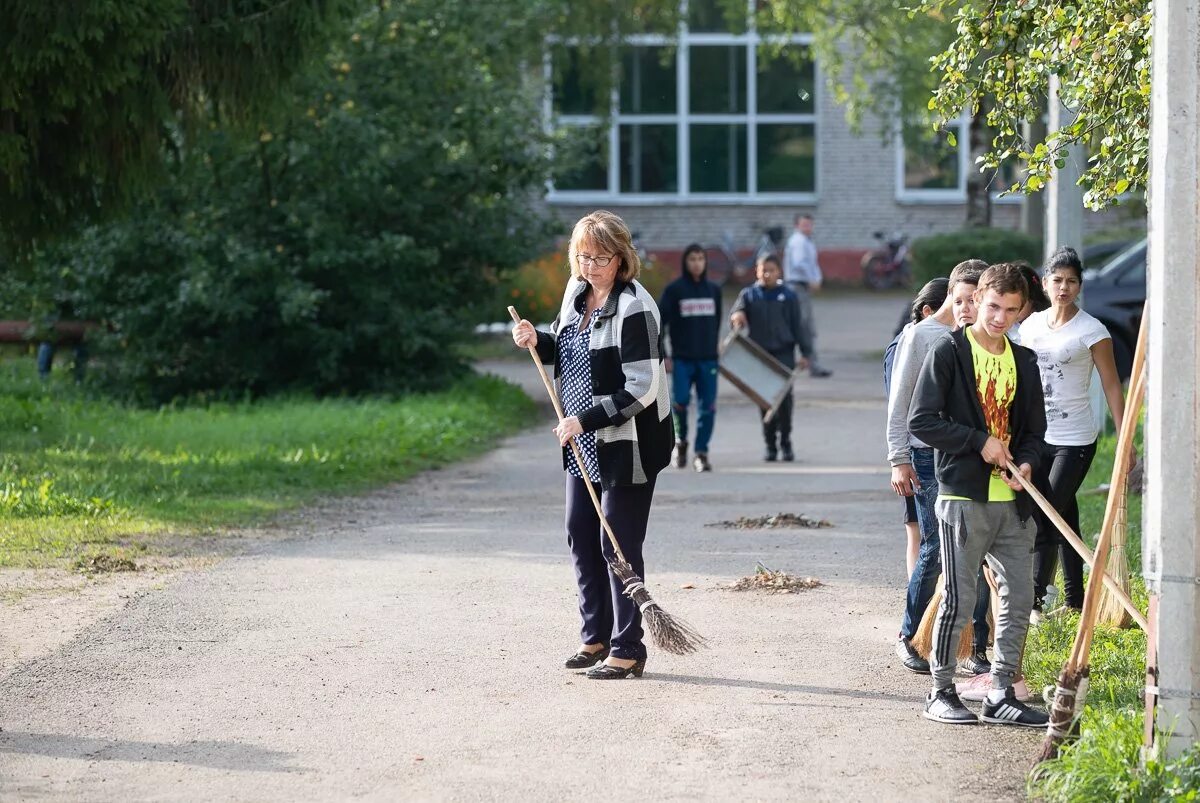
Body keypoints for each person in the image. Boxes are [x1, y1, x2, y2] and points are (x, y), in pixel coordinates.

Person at [510, 210, 674, 680]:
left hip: (629, 443)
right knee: (580, 534)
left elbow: (641, 387)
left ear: (622, 258)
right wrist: (535, 339)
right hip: (580, 441)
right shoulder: (576, 292)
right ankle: (595, 636)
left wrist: (584, 420)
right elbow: (563, 349)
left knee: (616, 543)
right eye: (583, 256)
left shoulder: (635, 306)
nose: (590, 266)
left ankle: (628, 648)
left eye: (601, 258)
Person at [909, 262, 1050, 727]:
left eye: (1011, 310)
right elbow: (922, 421)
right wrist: (979, 442)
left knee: (1018, 597)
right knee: (960, 597)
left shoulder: (1024, 360)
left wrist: (1025, 462)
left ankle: (1001, 690)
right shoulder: (950, 350)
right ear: (976, 301)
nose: (1000, 318)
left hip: (1014, 500)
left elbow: (1034, 432)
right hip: (963, 499)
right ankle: (941, 690)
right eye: (993, 307)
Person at [888, 261, 992, 676]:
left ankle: (976, 645)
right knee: (935, 547)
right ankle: (910, 635)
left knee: (977, 552)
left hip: (969, 456)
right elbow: (900, 404)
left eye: (975, 300)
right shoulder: (922, 335)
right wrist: (898, 458)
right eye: (961, 299)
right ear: (948, 294)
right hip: (926, 457)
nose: (967, 308)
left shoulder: (982, 339)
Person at [1020, 246, 1126, 617]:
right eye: (1057, 280)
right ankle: (1075, 599)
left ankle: (1033, 600)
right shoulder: (1030, 326)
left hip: (1075, 438)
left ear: (1079, 286)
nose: (1063, 287)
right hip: (1036, 438)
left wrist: (1126, 438)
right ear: (1046, 283)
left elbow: (1112, 385)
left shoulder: (1092, 330)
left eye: (1071, 281)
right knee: (1065, 515)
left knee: (1046, 513)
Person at [884, 278, 950, 578]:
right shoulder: (905, 346)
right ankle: (918, 608)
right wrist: (900, 458)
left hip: (932, 451)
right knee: (920, 535)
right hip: (915, 452)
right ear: (928, 312)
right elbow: (897, 405)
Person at [730, 254, 811, 462]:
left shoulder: (788, 296)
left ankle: (786, 441)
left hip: (783, 354)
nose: (767, 274)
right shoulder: (749, 294)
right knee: (765, 402)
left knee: (784, 401)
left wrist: (805, 353)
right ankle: (770, 445)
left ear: (779, 272)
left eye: (771, 270)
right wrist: (737, 316)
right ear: (756, 271)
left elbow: (798, 327)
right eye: (762, 270)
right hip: (759, 355)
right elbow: (737, 312)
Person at [659, 244, 723, 473]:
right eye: (692, 259)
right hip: (682, 360)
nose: (697, 263)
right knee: (680, 402)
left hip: (708, 360)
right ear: (685, 262)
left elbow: (716, 324)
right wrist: (664, 355)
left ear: (705, 262)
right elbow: (659, 324)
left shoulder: (714, 290)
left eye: (700, 259)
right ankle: (681, 442)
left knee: (708, 407)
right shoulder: (674, 291)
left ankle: (701, 453)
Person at [783, 213, 832, 378]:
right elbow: (800, 263)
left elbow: (812, 263)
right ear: (797, 226)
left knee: (804, 326)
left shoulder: (806, 241)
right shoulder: (798, 241)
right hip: (797, 286)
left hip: (802, 287)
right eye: (804, 225)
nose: (808, 228)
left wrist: (816, 279)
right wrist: (812, 279)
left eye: (810, 225)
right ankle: (812, 364)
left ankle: (811, 362)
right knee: (805, 327)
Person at [1007, 263, 1051, 345]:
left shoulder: (1047, 323)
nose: (1012, 308)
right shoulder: (1003, 323)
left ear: (1032, 298)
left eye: (1018, 303)